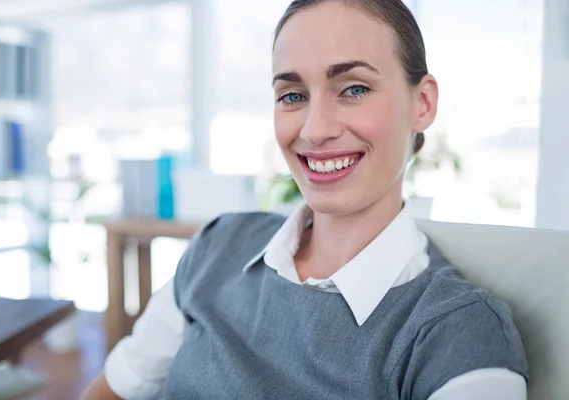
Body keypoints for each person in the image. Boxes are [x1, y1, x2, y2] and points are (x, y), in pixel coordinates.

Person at [83, 0, 528, 398]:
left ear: (423, 103)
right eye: (292, 96)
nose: (315, 131)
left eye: (353, 88)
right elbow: (113, 390)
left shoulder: (456, 333)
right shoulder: (218, 246)